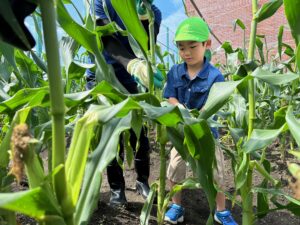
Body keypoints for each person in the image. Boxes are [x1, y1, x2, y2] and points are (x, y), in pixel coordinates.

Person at [86, 0, 163, 206]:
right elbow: (107, 39)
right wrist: (133, 64)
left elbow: (147, 46)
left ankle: (142, 182)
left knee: (139, 134)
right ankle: (116, 189)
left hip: (132, 78)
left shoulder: (153, 12)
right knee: (111, 135)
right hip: (103, 76)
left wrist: (145, 20)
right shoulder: (102, 2)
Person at [163, 17, 238, 225]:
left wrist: (199, 116)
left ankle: (220, 211)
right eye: (181, 47)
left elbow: (215, 102)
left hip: (207, 134)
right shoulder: (175, 72)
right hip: (181, 133)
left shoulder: (215, 77)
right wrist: (178, 107)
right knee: (175, 168)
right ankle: (176, 206)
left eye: (192, 46)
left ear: (207, 44)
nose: (186, 52)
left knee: (216, 173)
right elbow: (169, 95)